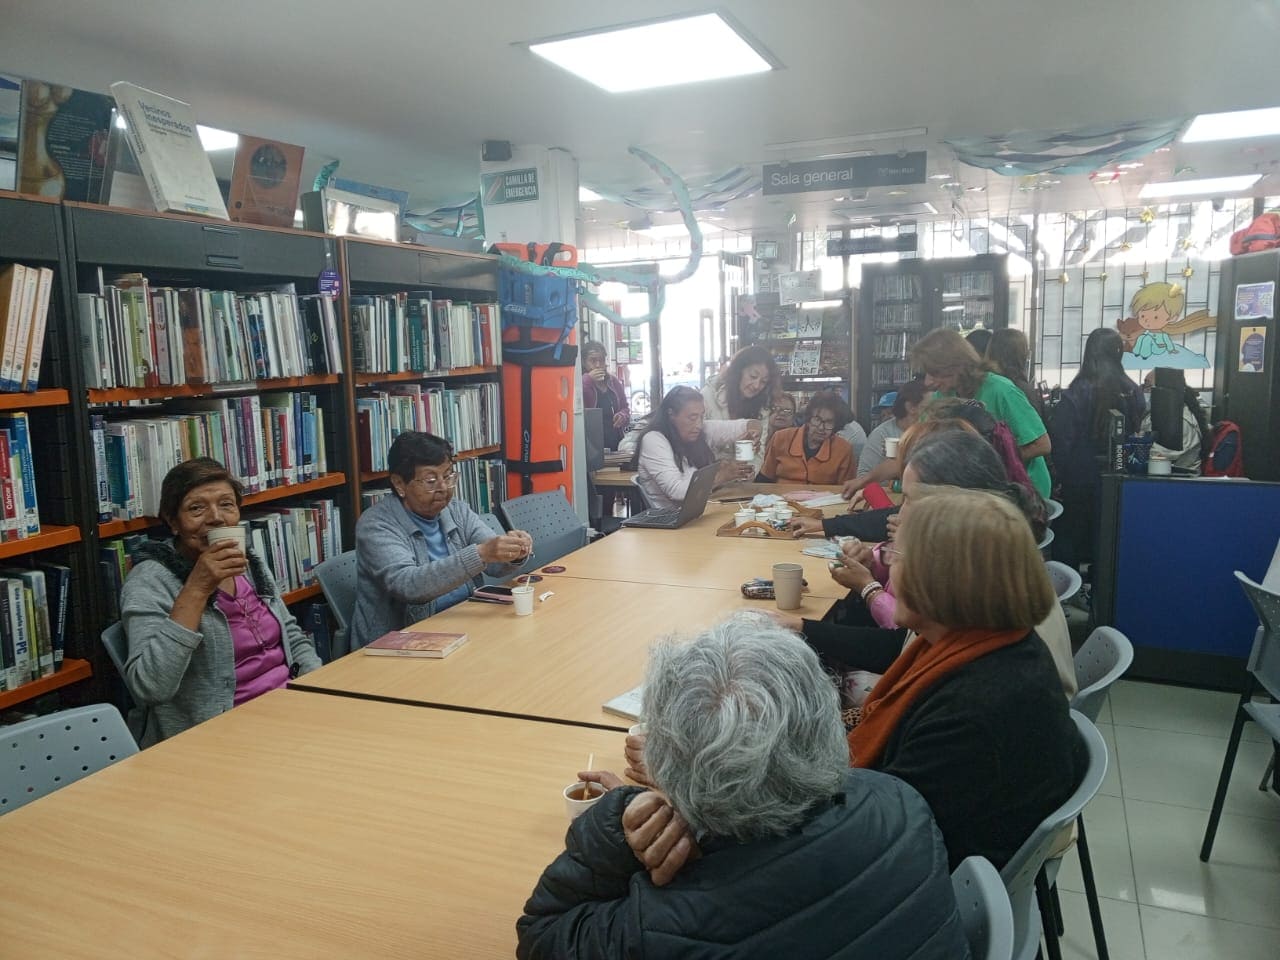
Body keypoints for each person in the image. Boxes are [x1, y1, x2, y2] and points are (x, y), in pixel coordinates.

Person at [517, 615, 970, 960]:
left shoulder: (660, 928)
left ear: (670, 771)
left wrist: (621, 817)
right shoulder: (902, 804)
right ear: (825, 724)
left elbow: (541, 936)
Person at [846, 489, 1086, 869]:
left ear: (943, 579)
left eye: (896, 554)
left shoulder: (973, 711)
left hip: (925, 885)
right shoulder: (992, 644)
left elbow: (877, 835)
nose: (889, 566)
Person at [782, 431, 1074, 702]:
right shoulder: (989, 557)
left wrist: (869, 588)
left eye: (907, 499)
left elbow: (901, 643)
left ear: (947, 504)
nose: (898, 512)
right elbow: (906, 645)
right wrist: (803, 626)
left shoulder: (980, 678)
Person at [120, 457, 322, 746]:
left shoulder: (247, 561)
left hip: (289, 713)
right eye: (196, 508)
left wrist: (316, 690)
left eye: (226, 504)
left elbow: (291, 637)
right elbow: (151, 686)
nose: (215, 517)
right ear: (173, 521)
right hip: (219, 735)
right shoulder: (150, 580)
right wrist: (198, 587)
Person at [350, 432, 532, 648]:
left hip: (461, 625)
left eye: (448, 476)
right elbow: (409, 585)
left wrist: (513, 552)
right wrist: (482, 553)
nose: (443, 488)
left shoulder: (456, 510)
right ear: (399, 483)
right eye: (430, 480)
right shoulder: (376, 525)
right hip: (401, 644)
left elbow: (495, 564)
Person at [909, 328, 1052, 498]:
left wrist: (992, 458)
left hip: (1023, 491)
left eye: (934, 373)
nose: (928, 382)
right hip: (983, 491)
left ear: (956, 365)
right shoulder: (942, 396)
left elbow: (1042, 444)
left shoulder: (1000, 390)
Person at [1049, 328, 1146, 570]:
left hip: (1078, 477)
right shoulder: (1133, 390)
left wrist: (1057, 477)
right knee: (1108, 537)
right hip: (1119, 476)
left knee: (1071, 536)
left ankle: (1072, 591)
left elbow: (1062, 440)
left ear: (1089, 352)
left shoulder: (1078, 391)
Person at [632, 385, 760, 510]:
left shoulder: (700, 430)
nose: (698, 424)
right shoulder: (654, 440)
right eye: (692, 418)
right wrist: (720, 476)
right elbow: (677, 491)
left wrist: (753, 435)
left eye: (701, 416)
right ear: (671, 414)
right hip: (671, 521)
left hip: (698, 513)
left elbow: (746, 425)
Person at [701, 344, 780, 465]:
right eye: (753, 376)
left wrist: (746, 472)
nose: (756, 386)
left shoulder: (762, 408)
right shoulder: (708, 395)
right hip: (707, 474)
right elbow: (696, 444)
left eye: (764, 381)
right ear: (738, 371)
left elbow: (757, 456)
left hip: (738, 479)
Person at [756, 390, 856, 485]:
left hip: (823, 501)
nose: (821, 427)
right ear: (808, 419)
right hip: (781, 500)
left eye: (829, 422)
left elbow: (845, 491)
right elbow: (764, 479)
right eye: (817, 419)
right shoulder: (780, 438)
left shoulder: (844, 449)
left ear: (836, 425)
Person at [858, 380, 928, 477]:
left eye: (889, 412)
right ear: (911, 407)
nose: (934, 412)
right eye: (929, 407)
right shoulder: (882, 434)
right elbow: (862, 476)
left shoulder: (933, 432)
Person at [1142, 381, 1210, 472]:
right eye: (1145, 386)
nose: (1145, 391)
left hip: (1182, 479)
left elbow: (1164, 456)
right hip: (1163, 475)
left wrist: (1138, 448)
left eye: (1150, 387)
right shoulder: (1158, 414)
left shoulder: (1181, 420)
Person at [985, 328, 1046, 422]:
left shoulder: (983, 385)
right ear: (1021, 354)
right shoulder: (1020, 390)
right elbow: (1036, 432)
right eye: (1026, 350)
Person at [580, 340, 629, 449]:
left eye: (601, 360)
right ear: (584, 362)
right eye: (593, 361)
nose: (598, 365)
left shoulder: (613, 382)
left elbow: (625, 408)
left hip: (614, 440)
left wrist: (622, 416)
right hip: (590, 443)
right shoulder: (579, 382)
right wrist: (588, 379)